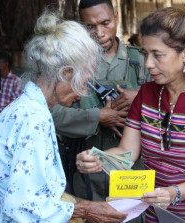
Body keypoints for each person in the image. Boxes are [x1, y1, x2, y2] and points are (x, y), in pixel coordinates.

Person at [76, 7, 185, 222]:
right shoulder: (146, 95)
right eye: (146, 54)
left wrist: (174, 193)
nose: (148, 64)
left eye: (158, 55)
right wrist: (98, 159)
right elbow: (127, 151)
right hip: (159, 214)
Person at [0, 9, 127, 223]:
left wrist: (88, 206)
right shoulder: (32, 118)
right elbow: (26, 206)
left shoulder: (25, 109)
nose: (83, 92)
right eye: (84, 81)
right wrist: (89, 211)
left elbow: (43, 192)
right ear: (65, 74)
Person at [50, 0, 149, 205]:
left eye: (105, 23)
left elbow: (170, 102)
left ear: (116, 17)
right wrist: (98, 117)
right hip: (85, 171)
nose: (99, 32)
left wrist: (140, 96)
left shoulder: (142, 61)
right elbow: (52, 114)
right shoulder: (70, 64)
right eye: (90, 27)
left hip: (131, 172)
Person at [0, 52, 23, 122]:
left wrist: (1, 113)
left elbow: (16, 102)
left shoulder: (16, 81)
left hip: (4, 115)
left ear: (6, 64)